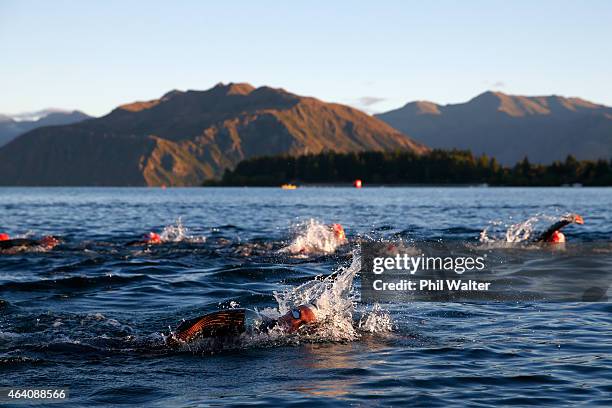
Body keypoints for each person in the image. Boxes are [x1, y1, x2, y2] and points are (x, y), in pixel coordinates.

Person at [168, 304, 318, 345]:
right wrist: (171, 343)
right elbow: (202, 323)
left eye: (302, 323)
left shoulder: (271, 337)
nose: (294, 320)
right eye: (296, 313)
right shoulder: (253, 319)